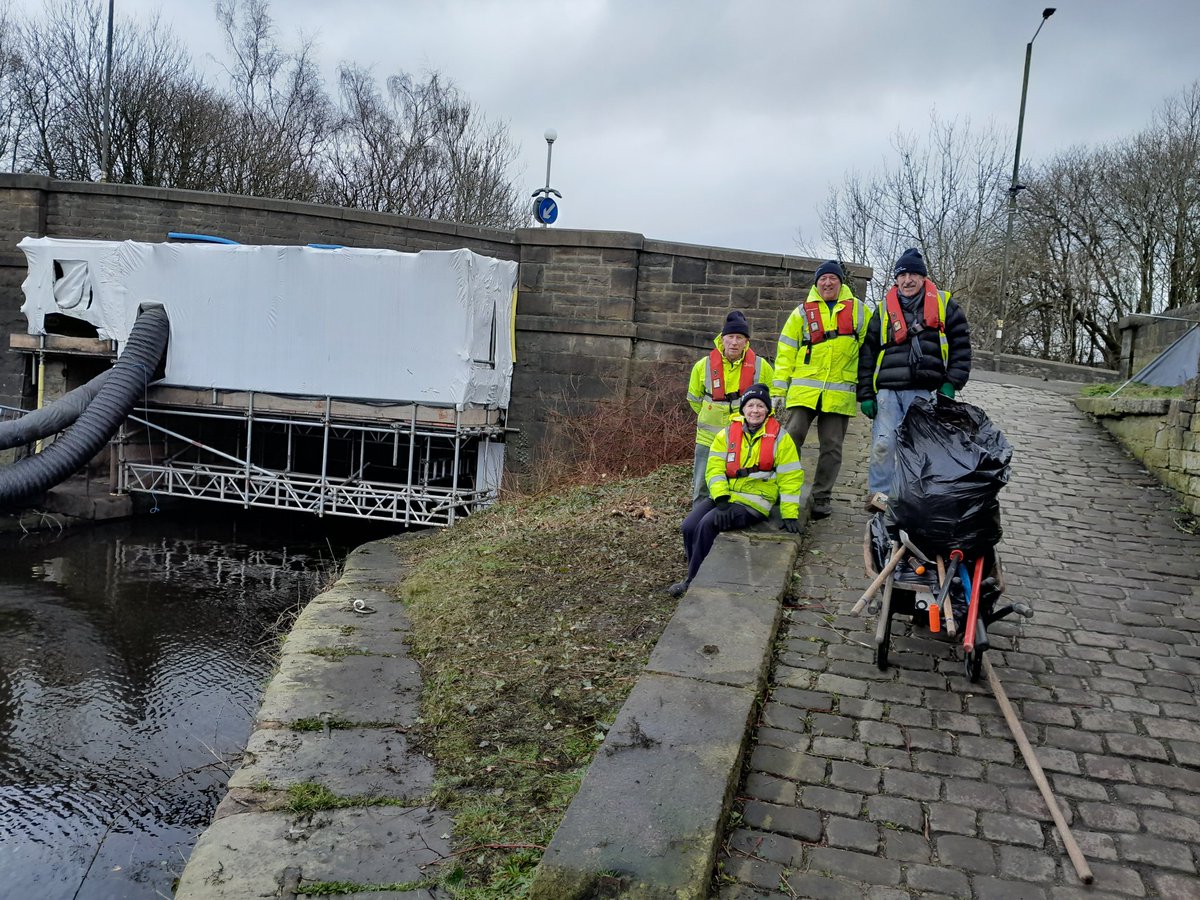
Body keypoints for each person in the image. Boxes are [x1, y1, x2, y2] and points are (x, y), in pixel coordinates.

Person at [856, 247, 972, 508]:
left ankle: (913, 501)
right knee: (883, 447)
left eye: (913, 275)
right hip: (888, 390)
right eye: (902, 275)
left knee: (920, 450)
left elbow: (961, 347)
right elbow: (868, 351)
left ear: (923, 277)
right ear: (896, 279)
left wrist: (951, 383)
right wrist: (864, 393)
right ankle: (879, 498)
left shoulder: (944, 304)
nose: (907, 280)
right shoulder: (885, 308)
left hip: (925, 391)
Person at [669, 383, 804, 597]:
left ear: (767, 410)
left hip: (754, 500)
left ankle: (692, 582)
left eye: (760, 406)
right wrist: (721, 498)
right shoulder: (727, 434)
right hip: (727, 494)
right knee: (689, 525)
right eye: (750, 405)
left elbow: (791, 477)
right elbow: (714, 468)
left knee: (706, 525)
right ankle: (697, 563)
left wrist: (789, 513)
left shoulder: (781, 438)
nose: (755, 411)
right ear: (743, 409)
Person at [771, 260, 869, 520]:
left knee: (832, 447)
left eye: (832, 279)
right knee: (790, 439)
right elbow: (786, 351)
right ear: (816, 283)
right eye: (822, 279)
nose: (827, 283)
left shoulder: (860, 311)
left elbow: (870, 352)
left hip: (839, 393)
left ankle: (821, 497)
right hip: (804, 391)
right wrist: (778, 388)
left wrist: (869, 390)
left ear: (841, 282)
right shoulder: (802, 312)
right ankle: (782, 488)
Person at [686, 310, 773, 504]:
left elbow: (772, 399)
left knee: (737, 481)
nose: (734, 342)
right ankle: (698, 518)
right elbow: (694, 398)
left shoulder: (762, 367)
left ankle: (726, 517)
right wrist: (710, 413)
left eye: (739, 337)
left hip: (745, 437)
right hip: (708, 437)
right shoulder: (703, 365)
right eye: (731, 337)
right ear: (722, 339)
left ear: (746, 341)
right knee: (701, 484)